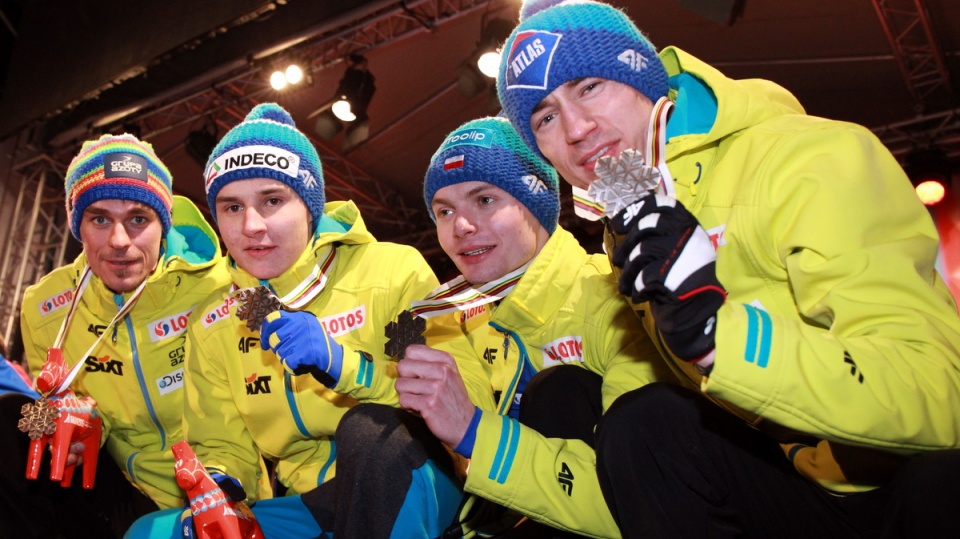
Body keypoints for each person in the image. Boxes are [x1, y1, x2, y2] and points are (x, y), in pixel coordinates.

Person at [495, 0, 960, 537]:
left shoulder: (806, 157)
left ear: (641, 74)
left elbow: (942, 392)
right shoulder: (629, 223)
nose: (576, 129)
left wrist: (723, 337)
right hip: (788, 482)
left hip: (900, 484)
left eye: (589, 86)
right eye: (545, 117)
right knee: (639, 425)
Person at [127, 103, 494, 539]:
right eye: (231, 208)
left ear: (309, 204)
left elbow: (469, 404)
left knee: (369, 431)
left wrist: (344, 365)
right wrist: (220, 483)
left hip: (416, 481)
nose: (252, 226)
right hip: (313, 505)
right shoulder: (213, 319)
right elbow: (220, 442)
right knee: (155, 532)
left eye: (273, 200)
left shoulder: (391, 270)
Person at [395, 116, 672, 538]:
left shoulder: (613, 301)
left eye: (484, 200)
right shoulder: (456, 323)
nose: (461, 227)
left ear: (536, 203)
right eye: (444, 211)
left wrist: (472, 432)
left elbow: (645, 501)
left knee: (557, 389)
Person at [0, 133, 228, 539]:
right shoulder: (44, 305)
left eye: (139, 219)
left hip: (226, 482)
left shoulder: (219, 286)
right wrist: (58, 424)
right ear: (78, 226)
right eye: (100, 219)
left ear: (163, 224)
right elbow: (47, 403)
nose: (119, 242)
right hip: (121, 485)